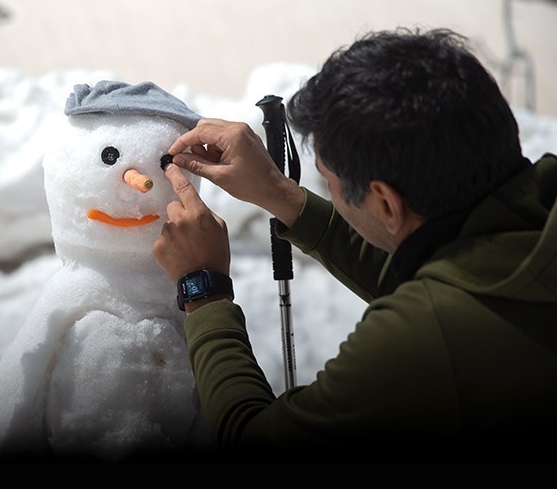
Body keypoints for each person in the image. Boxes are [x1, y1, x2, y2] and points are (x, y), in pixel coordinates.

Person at [151, 28, 557, 463]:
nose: (331, 192)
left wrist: (203, 287)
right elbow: (447, 278)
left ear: (384, 200)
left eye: (330, 181)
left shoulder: (423, 338)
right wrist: (278, 192)